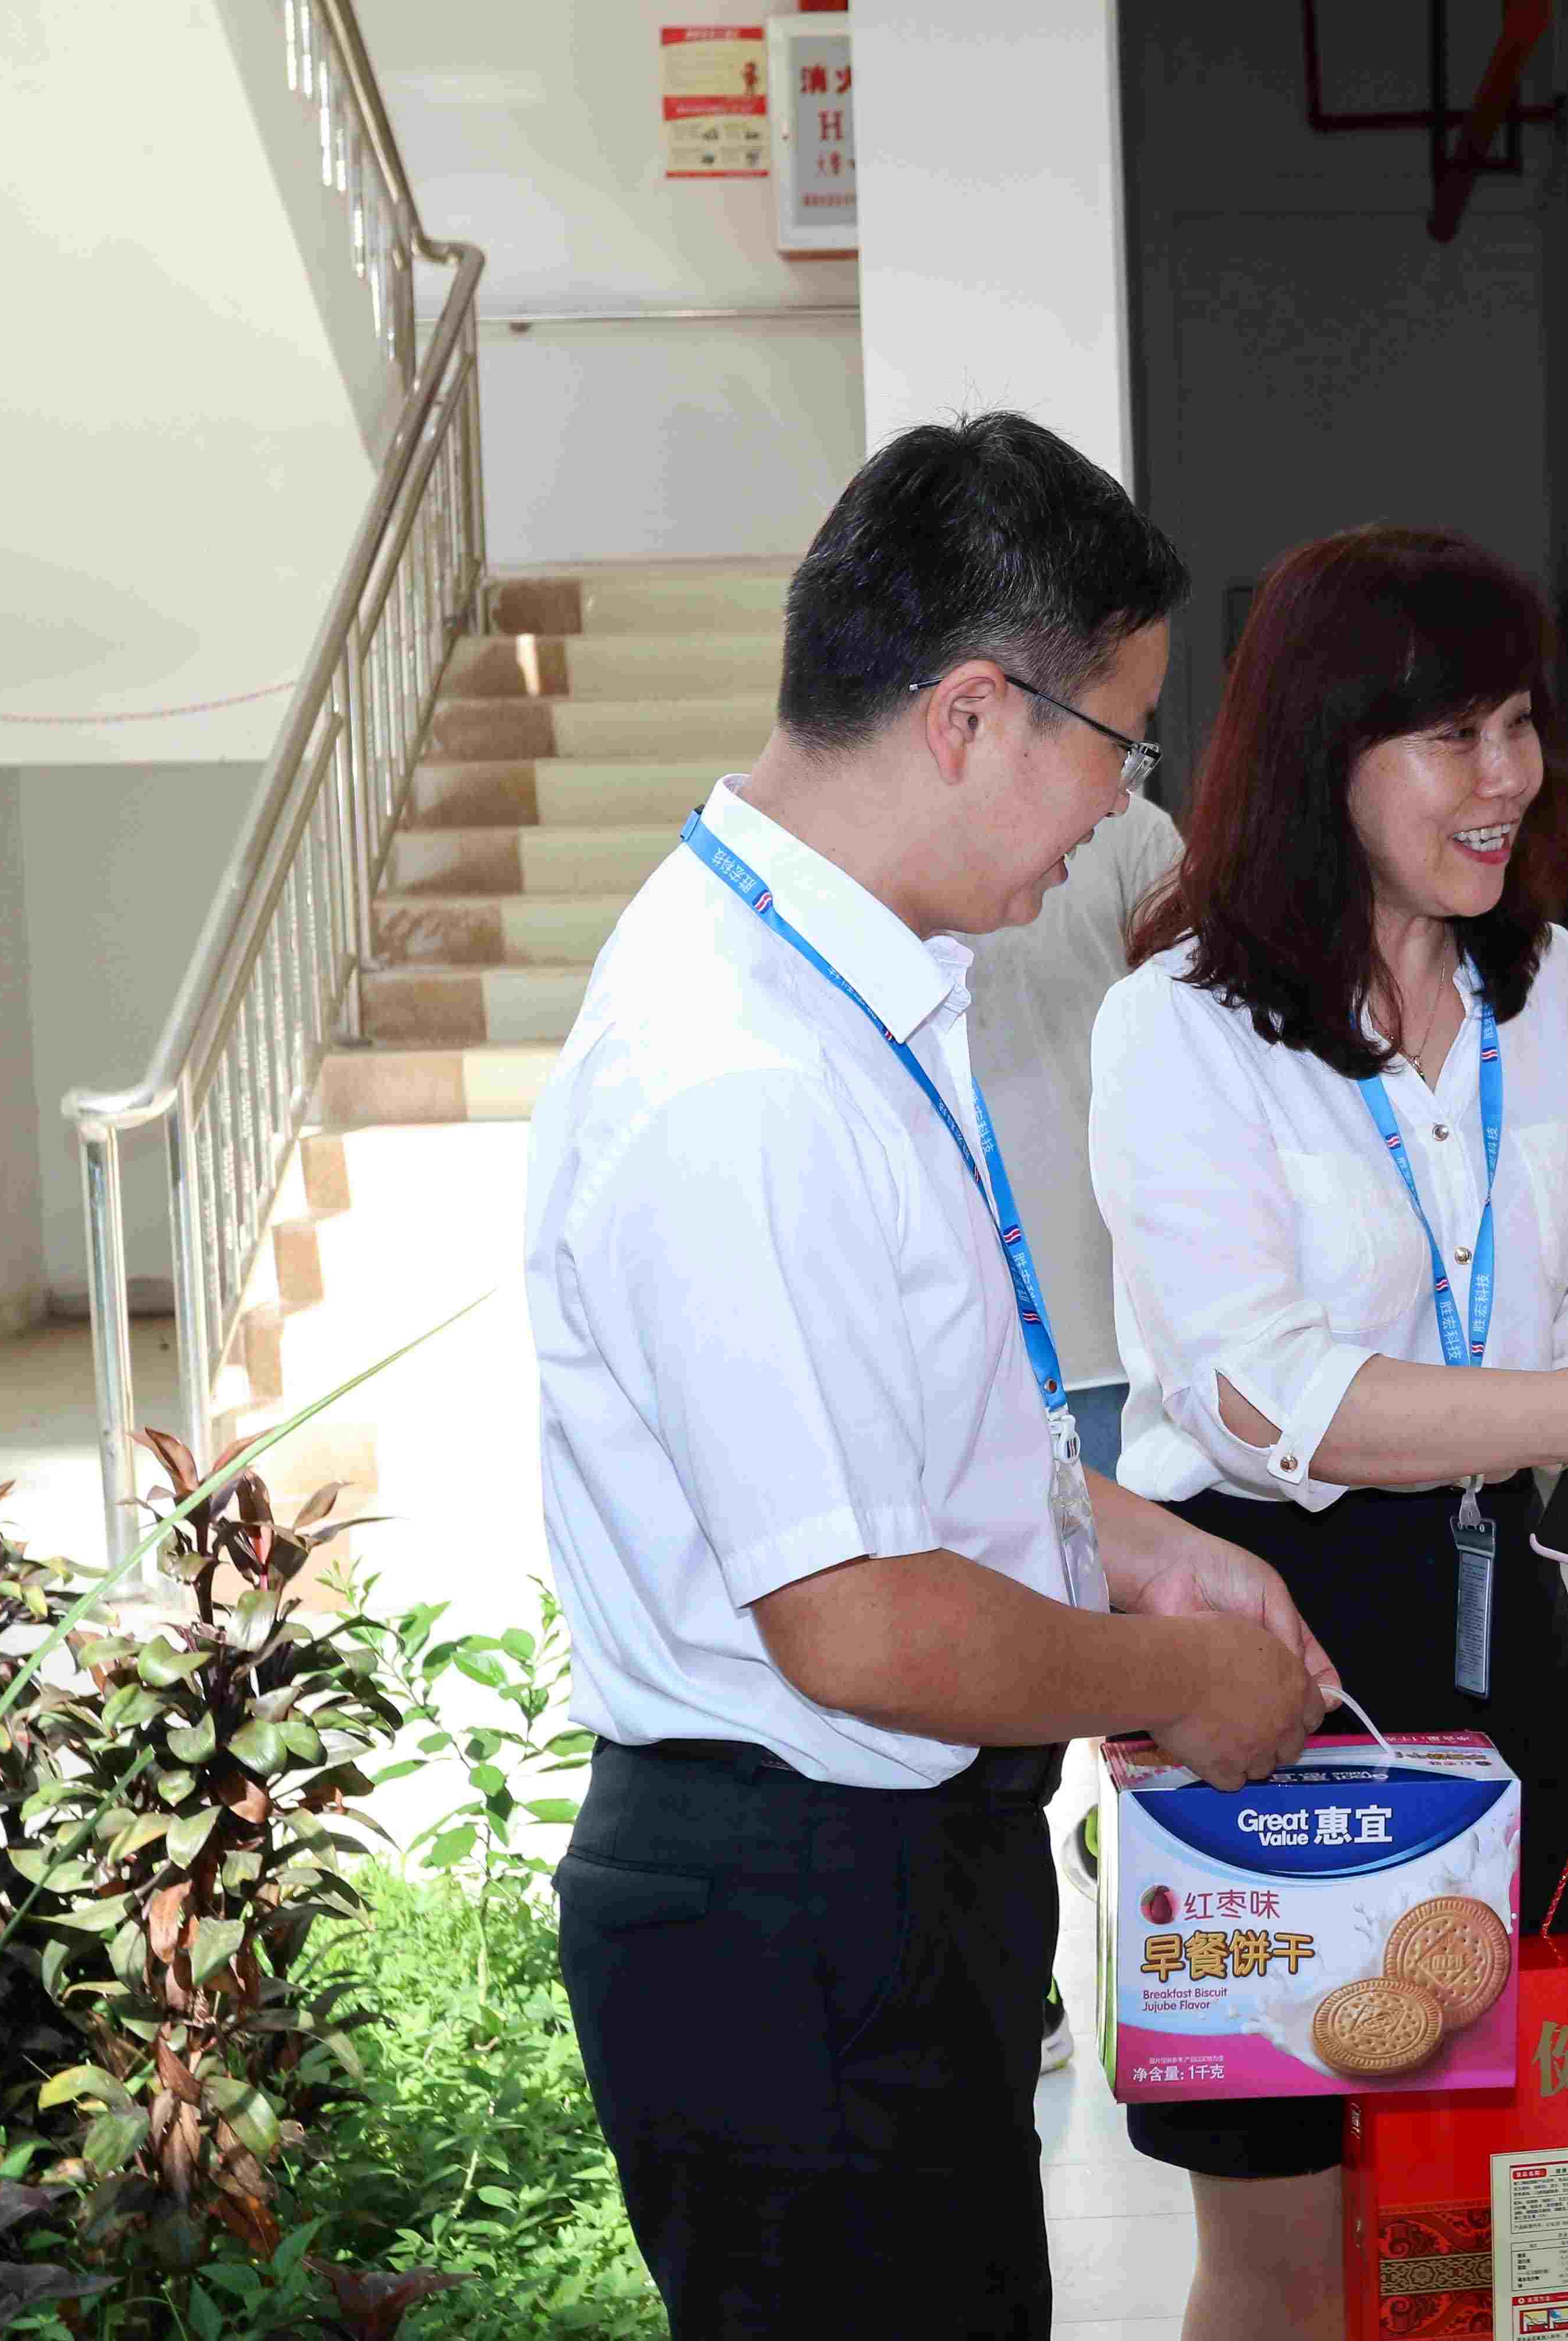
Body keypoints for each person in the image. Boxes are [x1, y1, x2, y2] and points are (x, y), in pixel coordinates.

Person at [524, 412, 1335, 2339]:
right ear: (973, 714)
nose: (1119, 809)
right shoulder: (742, 1075)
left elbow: (908, 1439)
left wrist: (1129, 1541)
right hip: (795, 1917)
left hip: (878, 1888)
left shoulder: (844, 989)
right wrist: (1181, 1682)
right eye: (1120, 743)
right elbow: (863, 1626)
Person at [1088, 524, 1568, 2341]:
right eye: (1455, 736)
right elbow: (1265, 1398)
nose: (1507, 777)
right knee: (1285, 2234)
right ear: (1327, 754)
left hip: (1491, 1617)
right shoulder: (1181, 1028)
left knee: (1489, 2198)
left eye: (1523, 725)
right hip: (1261, 1643)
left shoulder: (1551, 988)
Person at [962, 787, 1187, 2072]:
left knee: (1130, 1646)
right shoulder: (881, 830)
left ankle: (1133, 1849)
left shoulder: (1130, 832)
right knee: (997, 1683)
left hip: (1107, 1330)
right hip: (969, 1346)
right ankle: (1026, 1975)